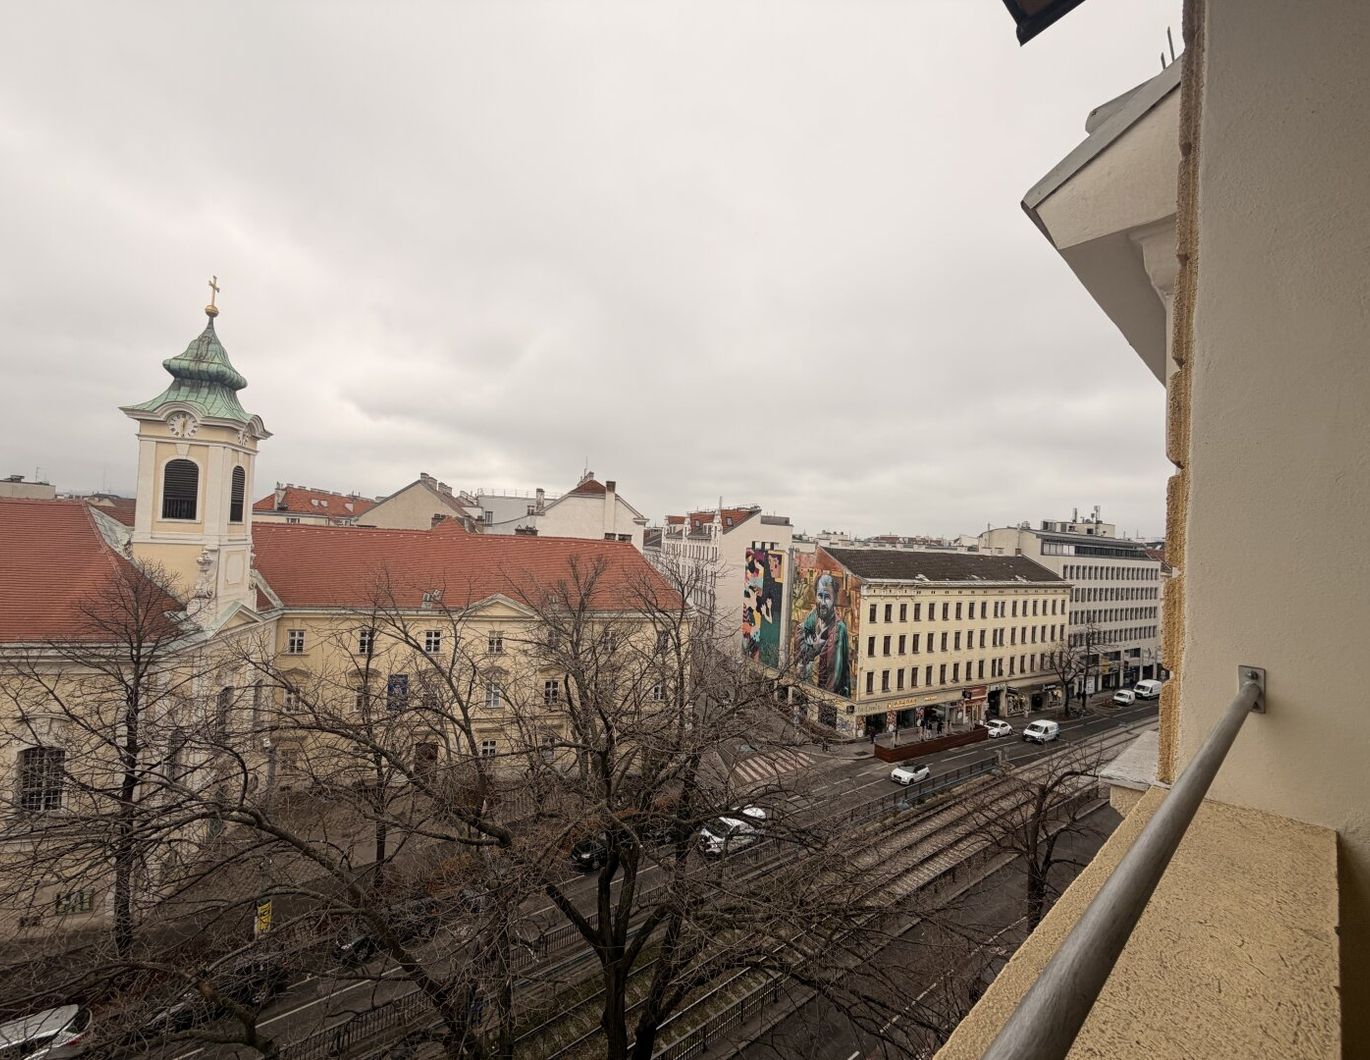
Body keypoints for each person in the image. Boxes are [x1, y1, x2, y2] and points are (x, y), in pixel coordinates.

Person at [793, 572, 850, 696]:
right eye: (820, 595)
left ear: (834, 599)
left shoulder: (839, 630)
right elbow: (796, 662)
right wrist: (814, 649)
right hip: (803, 695)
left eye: (827, 597)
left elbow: (832, 677)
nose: (823, 602)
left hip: (825, 701)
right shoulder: (806, 625)